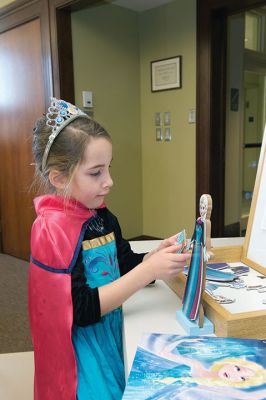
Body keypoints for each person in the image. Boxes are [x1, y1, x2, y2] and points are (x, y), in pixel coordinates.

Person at [28, 97, 190, 400]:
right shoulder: (51, 232)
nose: (109, 181)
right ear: (59, 178)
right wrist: (147, 272)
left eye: (109, 168)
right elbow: (80, 309)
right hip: (83, 352)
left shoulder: (100, 215)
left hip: (111, 331)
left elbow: (124, 261)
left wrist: (154, 258)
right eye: (96, 172)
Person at [137, 335, 266, 400]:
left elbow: (251, 397)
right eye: (238, 369)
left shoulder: (221, 389)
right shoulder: (198, 367)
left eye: (243, 378)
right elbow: (164, 353)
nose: (235, 375)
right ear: (231, 362)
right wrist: (181, 342)